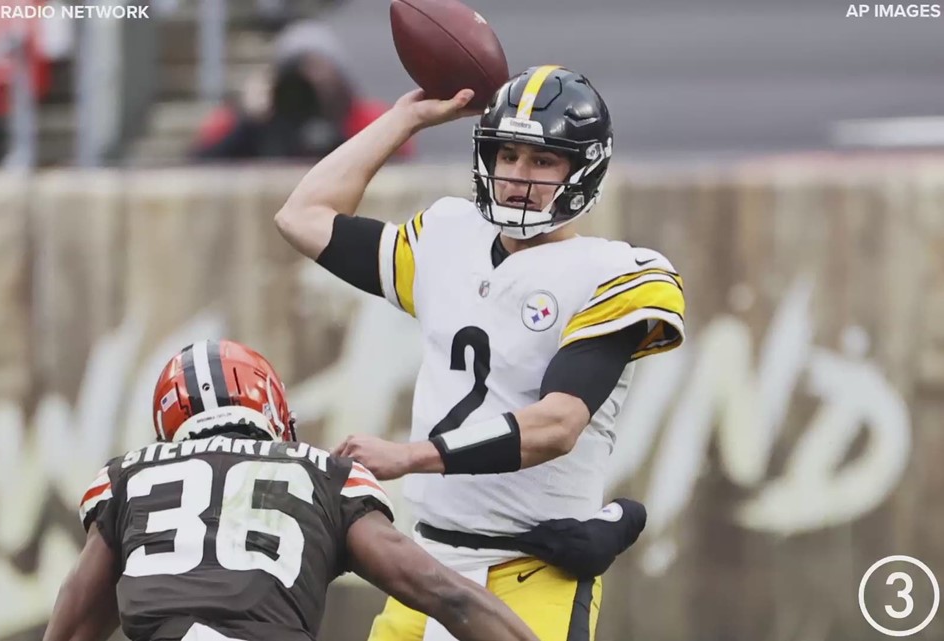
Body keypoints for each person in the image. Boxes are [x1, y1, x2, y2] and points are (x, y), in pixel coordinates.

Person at [273, 65, 686, 641]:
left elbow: (558, 424)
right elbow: (303, 216)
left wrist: (411, 456)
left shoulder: (614, 273)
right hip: (425, 568)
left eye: (543, 161)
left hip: (533, 572)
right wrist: (404, 119)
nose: (518, 177)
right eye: (508, 155)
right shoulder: (448, 235)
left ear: (582, 169)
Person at [42, 339, 541, 641]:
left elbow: (71, 628)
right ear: (274, 410)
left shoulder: (129, 477)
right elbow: (448, 594)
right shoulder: (324, 473)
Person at [189, 20, 413, 162]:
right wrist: (247, 122)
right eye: (298, 67)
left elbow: (400, 161)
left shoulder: (367, 117)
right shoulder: (253, 117)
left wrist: (335, 135)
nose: (308, 78)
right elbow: (198, 163)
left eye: (316, 66)